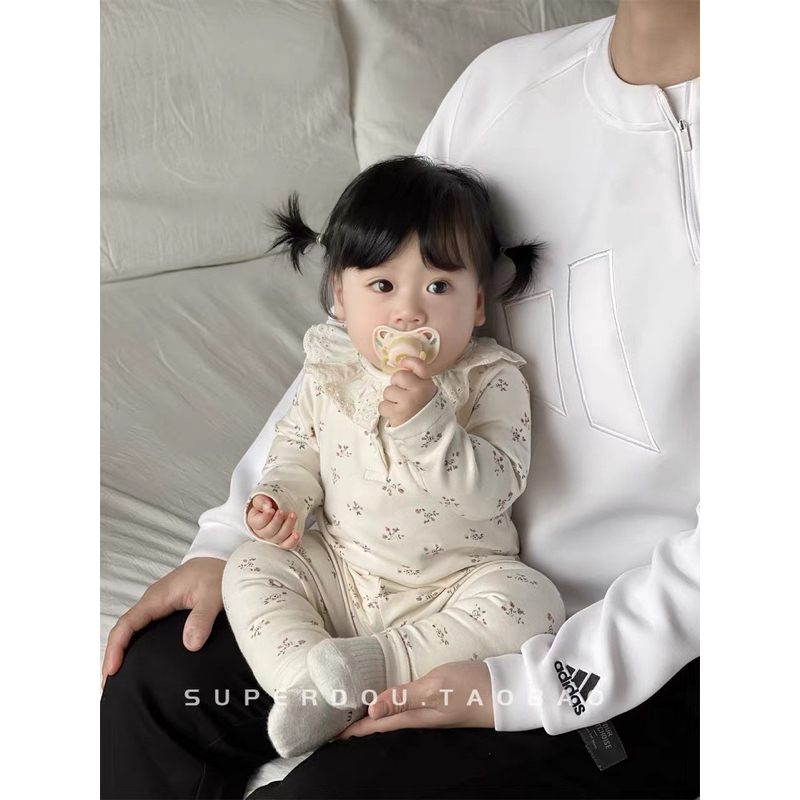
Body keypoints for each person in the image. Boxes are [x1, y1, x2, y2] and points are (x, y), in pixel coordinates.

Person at [101, 1, 700, 797]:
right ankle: (317, 678)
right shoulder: (506, 86)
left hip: (630, 637)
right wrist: (232, 538)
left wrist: (525, 689)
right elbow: (356, 345)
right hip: (372, 570)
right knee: (155, 686)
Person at [221, 156, 565, 758]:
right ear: (341, 298)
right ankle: (308, 686)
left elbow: (498, 486)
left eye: (439, 287)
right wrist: (281, 499)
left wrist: (429, 426)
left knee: (534, 602)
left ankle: (372, 666)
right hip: (343, 568)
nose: (410, 311)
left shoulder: (491, 379)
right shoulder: (330, 371)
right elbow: (297, 449)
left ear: (477, 305)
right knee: (249, 565)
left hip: (453, 586)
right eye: (382, 286)